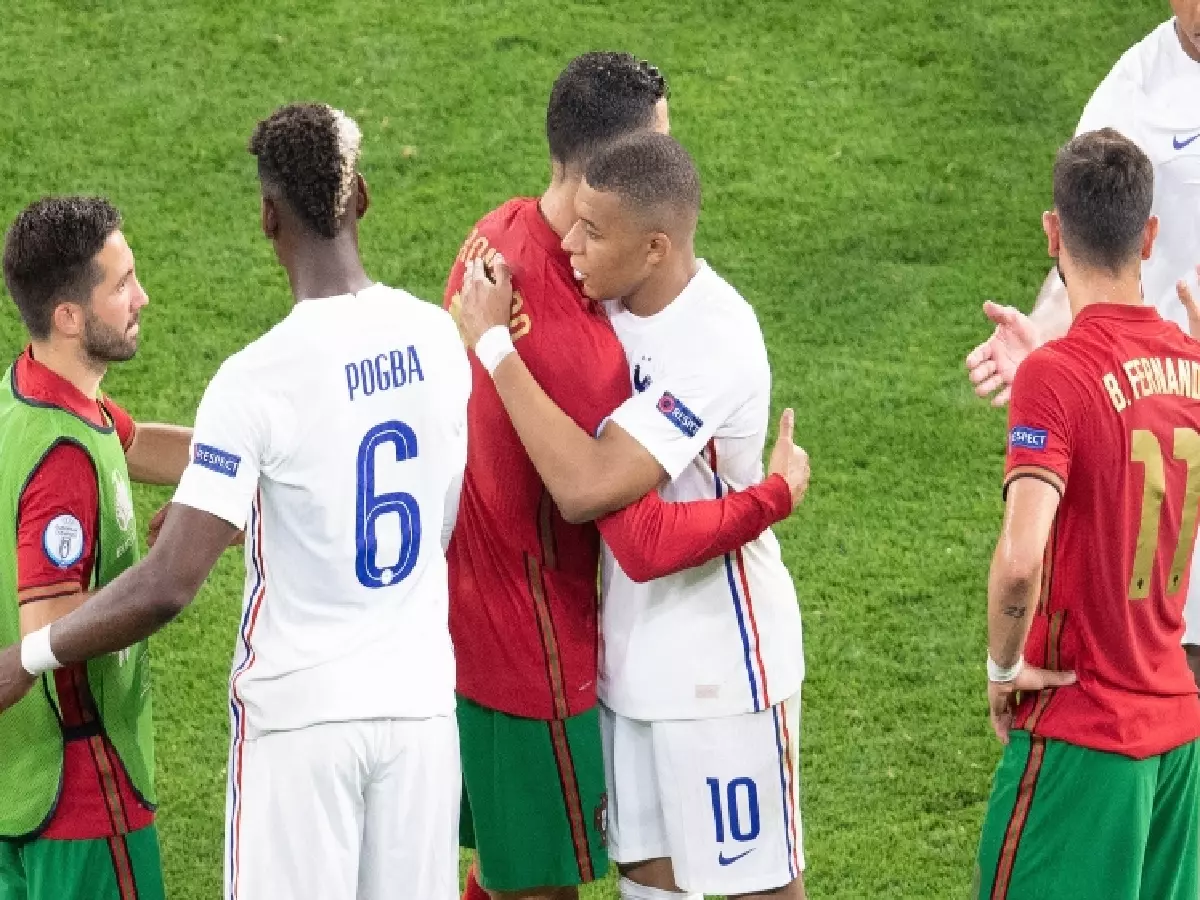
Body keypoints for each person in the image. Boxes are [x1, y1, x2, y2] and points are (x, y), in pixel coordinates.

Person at [0, 103, 471, 900]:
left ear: (266, 216)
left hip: (301, 718)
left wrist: (27, 657)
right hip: (421, 709)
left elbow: (166, 585)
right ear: (361, 196)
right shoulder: (438, 338)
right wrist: (234, 499)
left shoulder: (257, 379)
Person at [445, 53, 807, 900]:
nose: (572, 245)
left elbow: (628, 528)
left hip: (721, 671)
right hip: (620, 665)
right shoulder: (586, 295)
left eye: (594, 233)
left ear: (652, 242)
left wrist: (769, 500)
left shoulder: (710, 336)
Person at [974, 129, 1200, 900]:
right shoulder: (1193, 367)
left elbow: (1020, 560)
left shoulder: (1056, 377)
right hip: (1176, 743)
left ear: (1051, 232)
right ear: (1150, 235)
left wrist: (1003, 665)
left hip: (1084, 734)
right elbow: (1128, 418)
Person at [965, 0, 1200, 682]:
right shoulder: (1133, 97)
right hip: (1167, 406)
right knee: (1164, 650)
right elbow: (1087, 244)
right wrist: (1046, 330)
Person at [0, 196, 191, 900]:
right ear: (69, 317)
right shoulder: (61, 462)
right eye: (120, 285)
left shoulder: (31, 393)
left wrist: (248, 462)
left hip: (17, 787)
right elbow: (44, 635)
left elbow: (136, 445)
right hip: (80, 791)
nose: (141, 297)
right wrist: (167, 563)